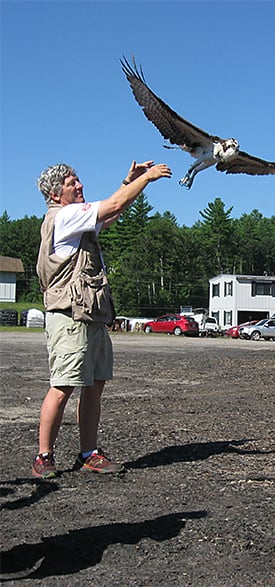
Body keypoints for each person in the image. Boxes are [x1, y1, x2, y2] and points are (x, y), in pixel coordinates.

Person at [32, 159, 172, 478]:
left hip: (90, 314)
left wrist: (128, 180)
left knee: (95, 385)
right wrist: (147, 179)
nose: (79, 185)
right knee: (63, 385)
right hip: (70, 315)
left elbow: (111, 213)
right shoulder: (64, 217)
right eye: (72, 183)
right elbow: (114, 205)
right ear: (55, 195)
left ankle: (87, 453)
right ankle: (44, 456)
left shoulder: (76, 219)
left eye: (78, 180)